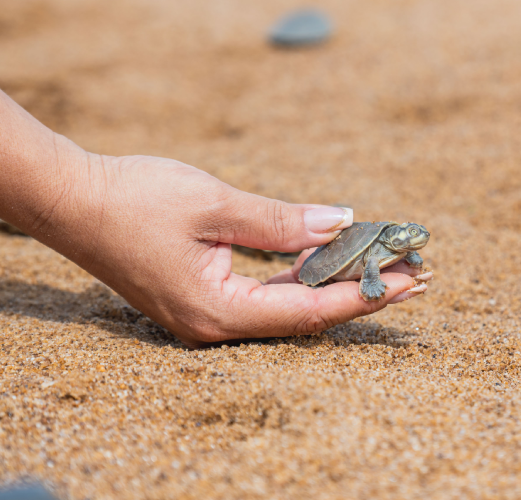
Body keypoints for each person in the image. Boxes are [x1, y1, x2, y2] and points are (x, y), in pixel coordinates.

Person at [0, 89, 431, 348]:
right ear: (392, 233)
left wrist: (72, 190)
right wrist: (79, 198)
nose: (414, 236)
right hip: (323, 268)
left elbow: (400, 252)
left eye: (416, 235)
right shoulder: (375, 247)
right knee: (369, 274)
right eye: (408, 233)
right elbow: (370, 263)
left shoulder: (396, 245)